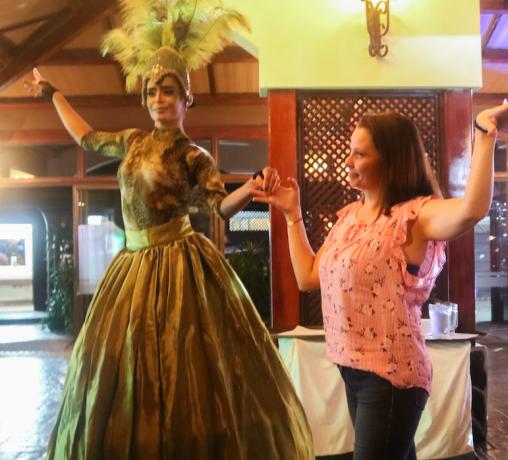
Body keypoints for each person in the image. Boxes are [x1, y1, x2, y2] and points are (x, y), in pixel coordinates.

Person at [24, 5, 314, 459]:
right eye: (152, 91)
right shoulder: (132, 141)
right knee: (122, 365)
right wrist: (52, 94)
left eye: (169, 91)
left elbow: (219, 207)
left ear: (186, 98)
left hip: (181, 264)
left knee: (186, 365)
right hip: (130, 268)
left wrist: (249, 188)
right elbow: (85, 137)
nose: (159, 99)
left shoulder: (195, 156)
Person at [254, 97, 508, 460]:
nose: (347, 162)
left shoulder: (414, 217)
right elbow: (308, 277)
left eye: (359, 154)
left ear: (390, 160)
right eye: (350, 152)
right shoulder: (349, 218)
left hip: (390, 377)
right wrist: (292, 215)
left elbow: (471, 210)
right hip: (351, 369)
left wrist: (484, 133)